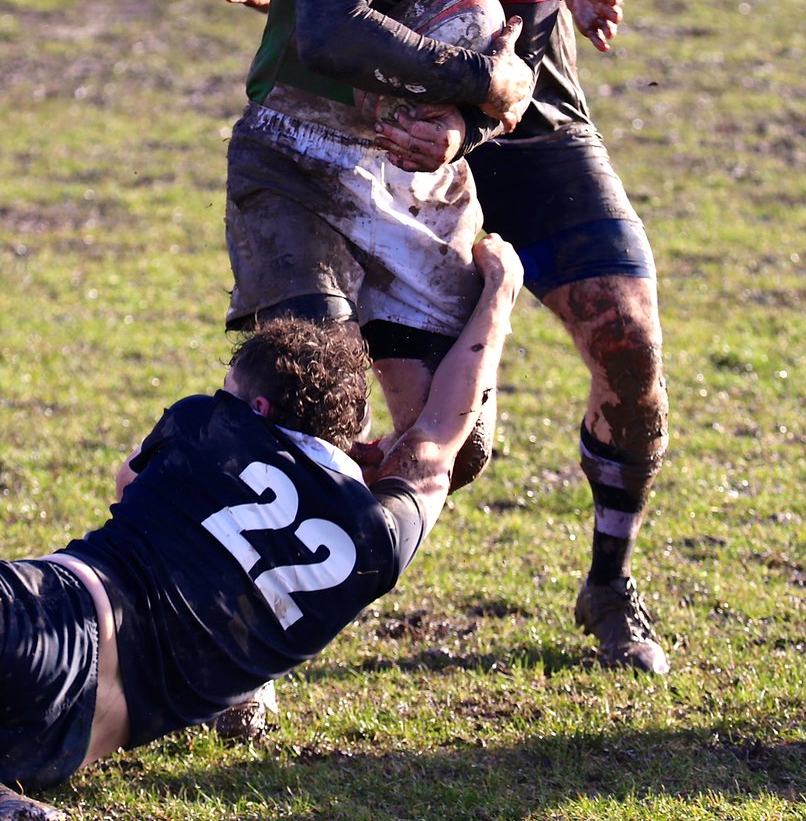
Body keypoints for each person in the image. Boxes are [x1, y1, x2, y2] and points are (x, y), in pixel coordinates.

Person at [220, 0, 670, 676]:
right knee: (336, 403)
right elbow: (322, 13)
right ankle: (251, 606)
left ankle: (609, 582)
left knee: (628, 343)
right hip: (376, 144)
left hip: (524, 129)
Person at [0, 234, 523, 821]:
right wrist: (500, 297)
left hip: (47, 619)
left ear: (259, 410)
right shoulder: (377, 540)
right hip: (65, 743)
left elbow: (128, 480)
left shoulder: (207, 423)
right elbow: (437, 437)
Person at [223, 0, 584, 491]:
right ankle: (166, 487)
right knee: (309, 422)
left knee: (452, 455)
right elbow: (329, 32)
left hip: (418, 182)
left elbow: (524, 65)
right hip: (298, 154)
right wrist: (478, 81)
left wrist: (463, 126)